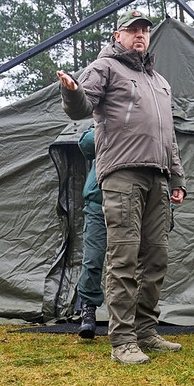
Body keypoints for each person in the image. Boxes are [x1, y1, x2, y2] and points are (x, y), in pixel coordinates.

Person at [56, 9, 186, 365]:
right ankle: (123, 340)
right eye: (133, 30)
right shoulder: (106, 66)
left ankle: (146, 330)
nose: (140, 35)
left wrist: (177, 177)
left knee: (155, 258)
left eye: (144, 30)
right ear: (118, 35)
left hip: (158, 176)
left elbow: (168, 135)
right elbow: (82, 107)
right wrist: (71, 91)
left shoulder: (159, 81)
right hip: (123, 174)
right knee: (124, 257)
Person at [75, 126, 105, 339]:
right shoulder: (104, 117)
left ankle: (134, 317)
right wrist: (112, 126)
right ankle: (88, 311)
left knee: (134, 261)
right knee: (93, 259)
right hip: (98, 203)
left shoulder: (148, 120)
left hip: (134, 203)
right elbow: (85, 144)